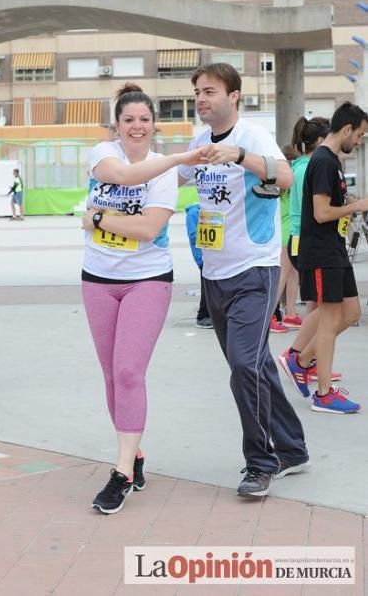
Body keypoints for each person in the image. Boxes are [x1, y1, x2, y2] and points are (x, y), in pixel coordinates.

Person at [178, 62, 309, 498]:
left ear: (234, 96)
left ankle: (261, 462)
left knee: (243, 366)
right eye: (198, 91)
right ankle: (293, 448)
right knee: (256, 365)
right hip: (214, 274)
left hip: (254, 270)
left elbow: (285, 176)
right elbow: (168, 177)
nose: (201, 98)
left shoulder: (251, 137)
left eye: (210, 91)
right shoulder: (198, 142)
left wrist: (238, 157)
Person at [81, 83, 207, 514]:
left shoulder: (163, 169)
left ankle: (121, 473)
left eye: (144, 119)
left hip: (147, 280)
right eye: (129, 120)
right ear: (117, 126)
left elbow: (148, 230)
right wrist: (118, 217)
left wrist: (96, 217)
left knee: (130, 371)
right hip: (96, 279)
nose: (137, 126)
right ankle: (133, 451)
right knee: (111, 377)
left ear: (154, 124)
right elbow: (120, 177)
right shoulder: (102, 154)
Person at [279, 101, 368, 413]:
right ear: (346, 129)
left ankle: (299, 360)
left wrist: (354, 201)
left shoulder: (331, 160)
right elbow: (321, 213)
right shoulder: (323, 161)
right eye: (359, 135)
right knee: (329, 319)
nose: (359, 142)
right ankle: (324, 393)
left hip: (334, 248)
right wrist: (356, 207)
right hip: (320, 251)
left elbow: (332, 203)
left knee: (351, 311)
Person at [278, 116, 343, 385]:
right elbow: (316, 210)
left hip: (301, 239)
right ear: (319, 140)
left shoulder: (304, 165)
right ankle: (297, 356)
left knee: (319, 306)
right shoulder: (308, 167)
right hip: (303, 240)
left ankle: (308, 360)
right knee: (325, 308)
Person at [270, 144, 301, 333]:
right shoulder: (292, 180)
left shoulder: (278, 183)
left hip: (284, 231)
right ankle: (272, 315)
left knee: (291, 274)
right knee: (285, 275)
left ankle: (290, 313)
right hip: (290, 231)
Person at [185, 203, 213, 328]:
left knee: (212, 287)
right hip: (203, 256)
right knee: (207, 287)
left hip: (212, 256)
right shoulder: (194, 213)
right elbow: (194, 235)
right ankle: (203, 316)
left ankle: (208, 315)